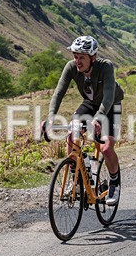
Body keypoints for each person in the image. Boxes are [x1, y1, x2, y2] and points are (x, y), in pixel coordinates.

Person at [46, 36, 124, 205]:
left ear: (93, 57)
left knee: (106, 147)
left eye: (82, 57)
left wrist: (98, 117)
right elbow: (59, 93)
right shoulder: (71, 67)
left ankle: (114, 183)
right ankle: (77, 180)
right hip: (89, 103)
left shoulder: (106, 67)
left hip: (110, 105)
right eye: (75, 56)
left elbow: (109, 95)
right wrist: (51, 116)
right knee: (71, 135)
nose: (77, 61)